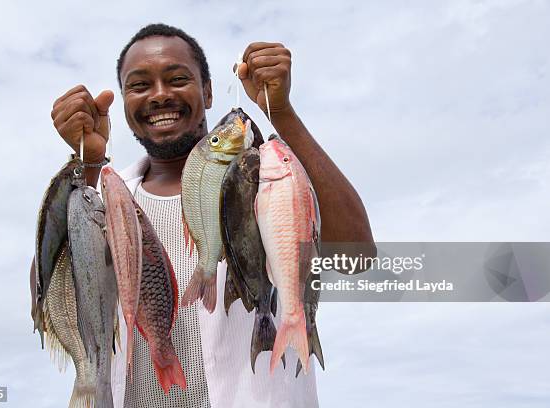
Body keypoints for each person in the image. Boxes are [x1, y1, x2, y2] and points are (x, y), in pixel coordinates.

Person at [32, 23, 374, 407]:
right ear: (125, 104)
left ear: (208, 92)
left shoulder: (262, 180)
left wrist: (280, 112)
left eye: (178, 79)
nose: (160, 95)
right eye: (140, 86)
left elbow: (356, 255)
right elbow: (50, 292)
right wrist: (88, 163)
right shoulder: (106, 197)